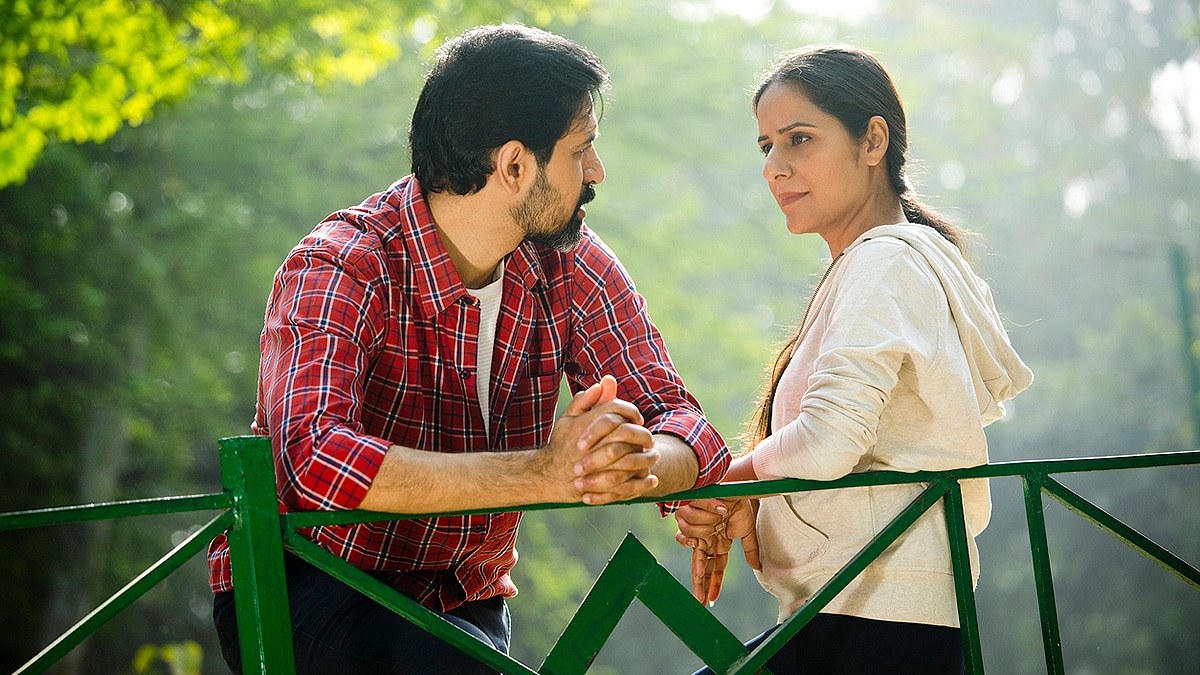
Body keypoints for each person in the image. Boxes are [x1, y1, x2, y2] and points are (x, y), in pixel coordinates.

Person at [206, 24, 730, 674]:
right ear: (514, 165)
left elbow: (688, 427)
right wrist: (545, 472)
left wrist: (627, 459)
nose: (597, 172)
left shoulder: (569, 264)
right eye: (581, 150)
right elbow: (316, 463)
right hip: (312, 585)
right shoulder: (342, 263)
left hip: (466, 602)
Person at [674, 45, 1033, 674]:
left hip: (877, 625)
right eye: (766, 147)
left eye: (800, 140)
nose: (775, 169)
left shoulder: (884, 263)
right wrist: (752, 496)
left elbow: (828, 442)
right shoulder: (872, 264)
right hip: (853, 614)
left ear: (872, 142)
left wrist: (736, 477)